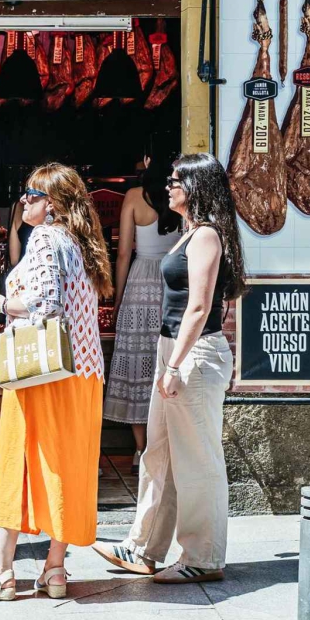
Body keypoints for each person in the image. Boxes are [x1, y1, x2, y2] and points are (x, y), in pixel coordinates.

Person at [0, 163, 113, 601]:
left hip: (42, 373)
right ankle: (55, 569)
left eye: (32, 194)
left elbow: (45, 304)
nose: (24, 200)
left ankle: (1, 573)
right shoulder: (80, 243)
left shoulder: (44, 237)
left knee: (17, 462)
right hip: (83, 372)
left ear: (54, 204)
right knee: (67, 466)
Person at [94, 153, 245, 585]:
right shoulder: (189, 233)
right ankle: (143, 548)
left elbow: (199, 306)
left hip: (193, 354)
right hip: (173, 349)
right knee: (158, 454)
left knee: (197, 461)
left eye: (176, 180)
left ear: (196, 187)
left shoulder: (207, 236)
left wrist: (175, 363)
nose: (168, 186)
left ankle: (203, 557)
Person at [103, 158, 183, 460]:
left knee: (137, 367)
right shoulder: (181, 194)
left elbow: (123, 253)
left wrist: (118, 299)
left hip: (139, 284)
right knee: (166, 361)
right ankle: (166, 447)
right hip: (172, 281)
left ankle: (141, 450)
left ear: (148, 162)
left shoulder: (134, 196)